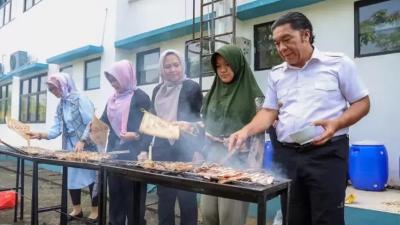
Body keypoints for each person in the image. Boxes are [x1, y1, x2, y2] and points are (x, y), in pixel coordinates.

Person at [228, 12, 370, 225]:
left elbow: (362, 103)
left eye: (287, 40)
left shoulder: (338, 64)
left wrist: (337, 123)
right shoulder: (276, 74)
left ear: (306, 35)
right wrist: (244, 131)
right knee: (293, 218)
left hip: (327, 155)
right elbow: (269, 111)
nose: (281, 48)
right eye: (277, 43)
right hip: (288, 156)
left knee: (327, 219)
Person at [200, 44, 265, 225]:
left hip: (238, 161)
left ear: (237, 64)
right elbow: (206, 124)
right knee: (208, 213)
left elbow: (261, 129)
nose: (222, 70)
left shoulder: (254, 95)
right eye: (218, 66)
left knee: (229, 217)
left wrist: (253, 165)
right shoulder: (213, 93)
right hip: (212, 161)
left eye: (227, 65)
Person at [27, 72, 99, 221]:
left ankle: (95, 211)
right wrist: (39, 135)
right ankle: (77, 210)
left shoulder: (80, 99)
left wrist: (83, 140)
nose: (52, 92)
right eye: (50, 89)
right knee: (72, 177)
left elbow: (91, 122)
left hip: (87, 144)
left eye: (54, 88)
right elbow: (56, 129)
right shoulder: (62, 104)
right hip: (70, 145)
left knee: (92, 176)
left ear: (63, 85)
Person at [151, 49, 202, 225]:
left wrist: (197, 150)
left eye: (176, 65)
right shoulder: (157, 90)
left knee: (187, 197)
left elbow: (198, 122)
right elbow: (154, 118)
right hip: (162, 149)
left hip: (185, 150)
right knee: (165, 197)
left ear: (182, 65)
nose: (172, 70)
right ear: (161, 69)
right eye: (167, 66)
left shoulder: (192, 87)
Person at [101, 60, 151, 225]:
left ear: (125, 76)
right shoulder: (112, 100)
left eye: (115, 79)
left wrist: (137, 137)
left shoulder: (141, 97)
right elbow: (103, 123)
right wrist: (89, 133)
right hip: (114, 156)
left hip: (134, 156)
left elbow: (149, 127)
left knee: (134, 202)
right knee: (115, 200)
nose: (113, 84)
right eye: (111, 81)